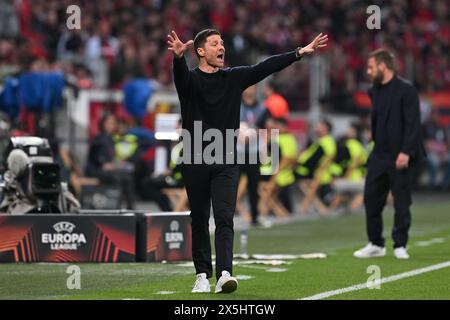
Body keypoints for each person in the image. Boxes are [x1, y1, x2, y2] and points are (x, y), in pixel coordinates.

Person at [167, 28, 327, 293]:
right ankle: (202, 275)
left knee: (224, 217)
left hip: (226, 159)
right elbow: (181, 80)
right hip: (196, 157)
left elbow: (264, 67)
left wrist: (298, 53)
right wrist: (177, 59)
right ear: (200, 51)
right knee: (198, 218)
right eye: (215, 43)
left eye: (223, 43)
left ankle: (225, 273)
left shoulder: (233, 78)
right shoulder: (191, 82)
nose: (222, 47)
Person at [354, 49, 425, 260]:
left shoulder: (407, 90)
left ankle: (400, 245)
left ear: (383, 66)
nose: (368, 71)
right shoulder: (373, 90)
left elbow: (413, 124)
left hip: (401, 155)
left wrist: (406, 151)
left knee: (402, 201)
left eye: (371, 67)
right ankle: (376, 243)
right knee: (371, 199)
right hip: (379, 154)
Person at [237, 85, 265, 226]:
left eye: (253, 87)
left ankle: (255, 216)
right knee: (231, 185)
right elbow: (241, 129)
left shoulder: (261, 108)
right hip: (238, 152)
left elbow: (262, 128)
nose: (250, 90)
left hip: (253, 153)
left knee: (254, 186)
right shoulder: (237, 106)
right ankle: (226, 217)